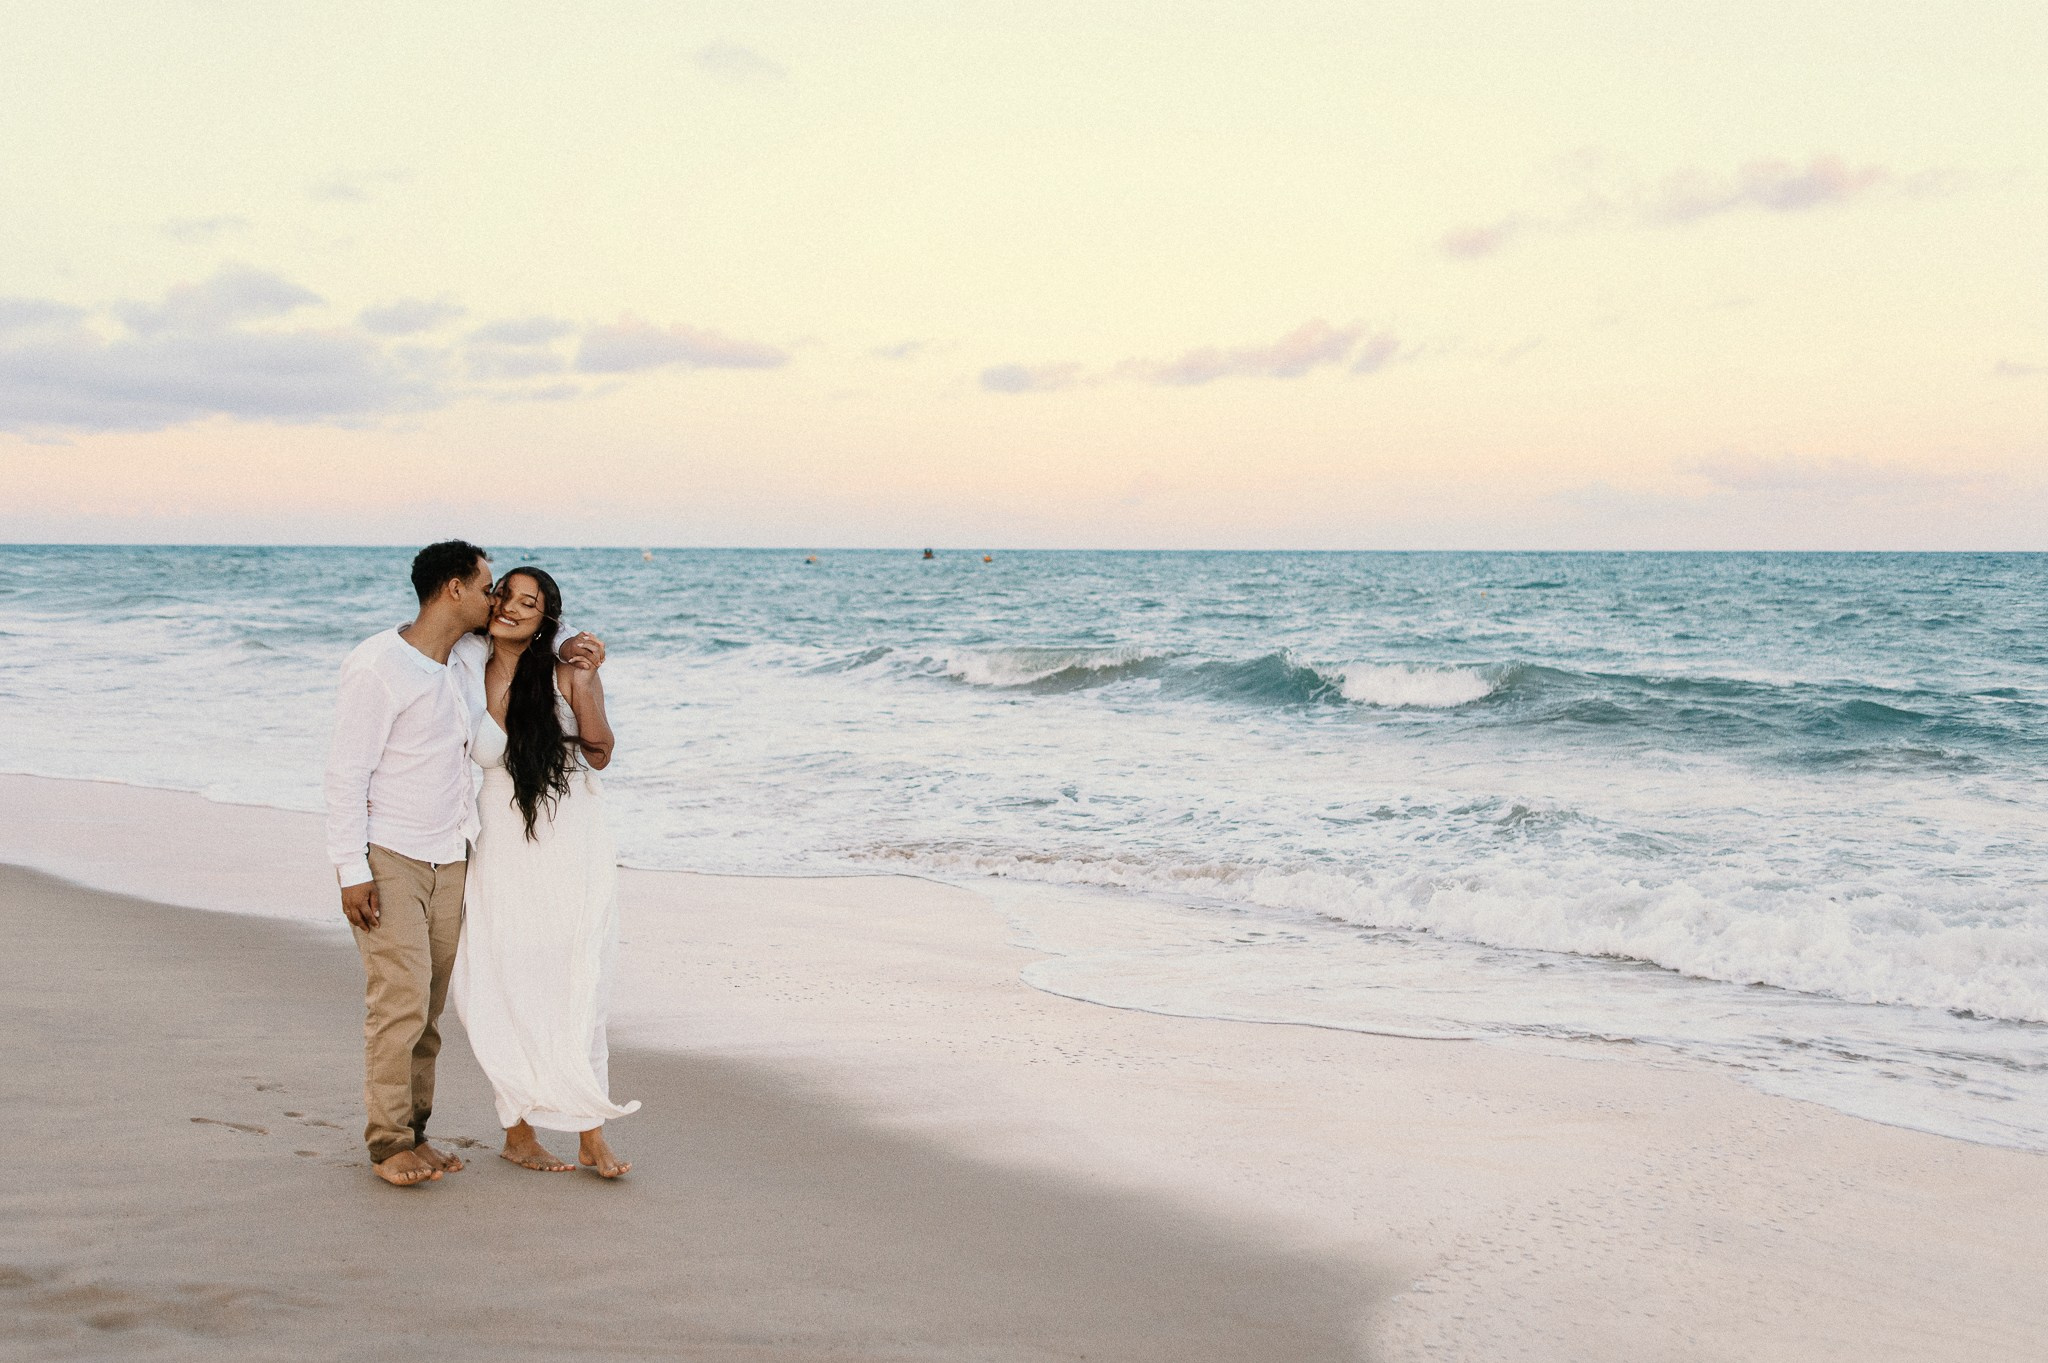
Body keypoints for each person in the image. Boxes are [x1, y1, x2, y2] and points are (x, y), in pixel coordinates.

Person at [323, 541, 603, 1188]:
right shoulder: (377, 665)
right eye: (487, 587)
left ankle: (415, 1133)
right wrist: (351, 868)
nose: (495, 600)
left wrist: (573, 656)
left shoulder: (459, 661)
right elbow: (345, 773)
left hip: (452, 855)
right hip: (390, 855)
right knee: (397, 1003)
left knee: (426, 1009)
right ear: (454, 589)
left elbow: (529, 653)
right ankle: (388, 1142)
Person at [451, 566, 639, 1177]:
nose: (511, 607)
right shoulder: (461, 667)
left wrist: (582, 679)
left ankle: (590, 1132)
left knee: (576, 980)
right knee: (501, 980)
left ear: (545, 616)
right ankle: (518, 1131)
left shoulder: (563, 671)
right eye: (504, 594)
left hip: (572, 843)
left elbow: (601, 752)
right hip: (501, 845)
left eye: (528, 602)